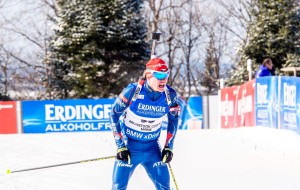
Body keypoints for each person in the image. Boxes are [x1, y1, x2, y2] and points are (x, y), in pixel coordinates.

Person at [110, 57, 180, 190]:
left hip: (153, 150)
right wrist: (120, 146)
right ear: (148, 75)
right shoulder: (132, 91)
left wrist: (168, 147)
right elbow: (113, 114)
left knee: (165, 187)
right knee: (118, 187)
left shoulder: (170, 95)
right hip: (130, 148)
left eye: (166, 74)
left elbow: (173, 120)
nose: (163, 79)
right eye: (159, 74)